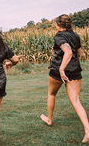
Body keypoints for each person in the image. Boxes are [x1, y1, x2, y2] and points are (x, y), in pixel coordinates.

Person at [39, 14, 89, 143]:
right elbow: (78, 53)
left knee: (51, 94)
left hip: (58, 71)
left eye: (55, 23)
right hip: (74, 71)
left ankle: (49, 119)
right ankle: (88, 131)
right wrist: (57, 50)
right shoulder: (75, 36)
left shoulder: (59, 36)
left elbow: (69, 52)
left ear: (58, 24)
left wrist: (61, 69)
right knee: (76, 102)